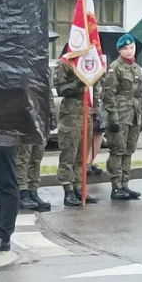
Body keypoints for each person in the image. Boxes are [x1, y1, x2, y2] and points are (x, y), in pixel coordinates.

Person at [54, 54, 101, 206]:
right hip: (71, 115)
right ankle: (68, 190)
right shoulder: (65, 63)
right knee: (69, 154)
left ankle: (79, 188)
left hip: (86, 114)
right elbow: (60, 89)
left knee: (82, 155)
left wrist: (96, 111)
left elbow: (96, 89)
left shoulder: (90, 62)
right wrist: (78, 83)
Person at [103, 33, 142, 201]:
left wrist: (141, 115)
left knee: (129, 151)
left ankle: (125, 184)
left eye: (132, 47)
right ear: (120, 50)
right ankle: (116, 186)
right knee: (118, 150)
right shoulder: (115, 68)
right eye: (126, 48)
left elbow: (140, 95)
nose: (129, 51)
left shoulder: (135, 68)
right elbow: (109, 94)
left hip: (134, 114)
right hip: (121, 114)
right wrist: (113, 117)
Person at [17, 84, 53, 211]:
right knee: (23, 157)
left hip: (40, 116)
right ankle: (22, 191)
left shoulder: (40, 67)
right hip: (24, 116)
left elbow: (47, 91)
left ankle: (33, 189)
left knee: (36, 156)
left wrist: (51, 112)